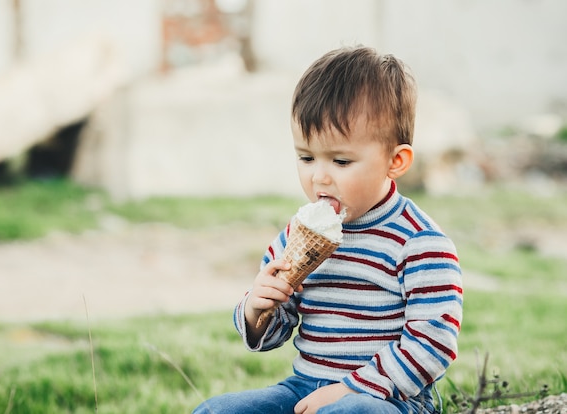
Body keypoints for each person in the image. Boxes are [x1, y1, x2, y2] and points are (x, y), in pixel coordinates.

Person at [193, 45, 463, 414]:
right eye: (306, 157)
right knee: (215, 411)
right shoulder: (297, 232)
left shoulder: (419, 242)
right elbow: (275, 329)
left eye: (340, 160)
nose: (319, 176)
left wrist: (349, 390)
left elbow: (434, 343)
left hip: (387, 399)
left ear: (395, 161)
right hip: (303, 387)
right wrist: (258, 309)